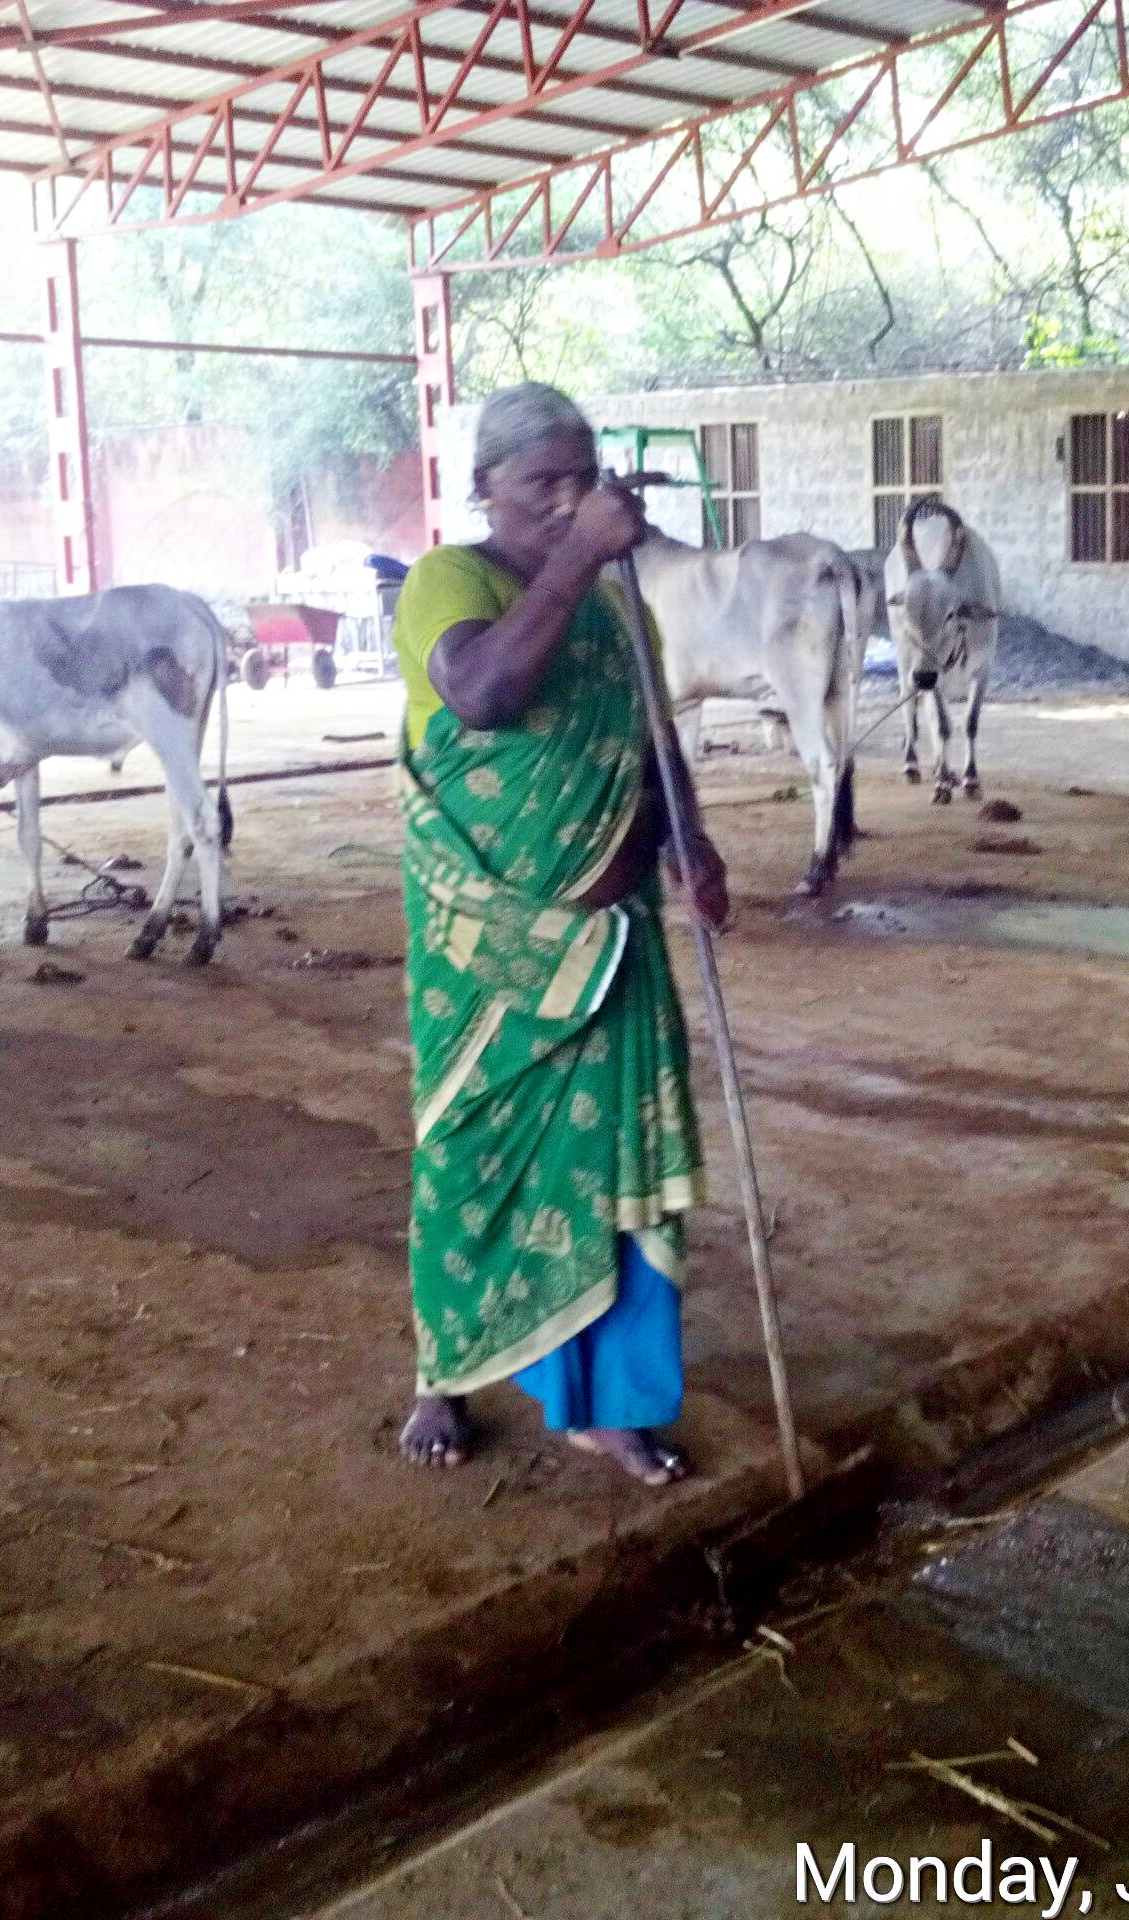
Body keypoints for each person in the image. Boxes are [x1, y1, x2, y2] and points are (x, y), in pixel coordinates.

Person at [389, 382, 729, 1489]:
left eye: (584, 480)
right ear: (485, 486)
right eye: (544, 483)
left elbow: (650, 735)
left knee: (616, 1165)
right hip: (492, 946)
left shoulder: (620, 605)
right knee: (472, 1154)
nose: (569, 500)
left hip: (616, 937)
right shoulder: (449, 580)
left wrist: (691, 841)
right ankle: (447, 1371)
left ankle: (611, 1407)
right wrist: (581, 553)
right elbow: (482, 693)